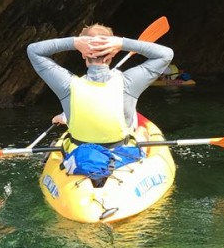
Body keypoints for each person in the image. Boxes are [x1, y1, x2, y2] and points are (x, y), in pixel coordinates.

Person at [26, 23, 173, 154]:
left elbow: (34, 51)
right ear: (112, 55)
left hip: (78, 155)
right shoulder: (128, 83)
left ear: (83, 54)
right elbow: (166, 55)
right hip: (121, 155)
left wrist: (75, 42)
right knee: (141, 131)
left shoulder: (67, 85)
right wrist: (121, 43)